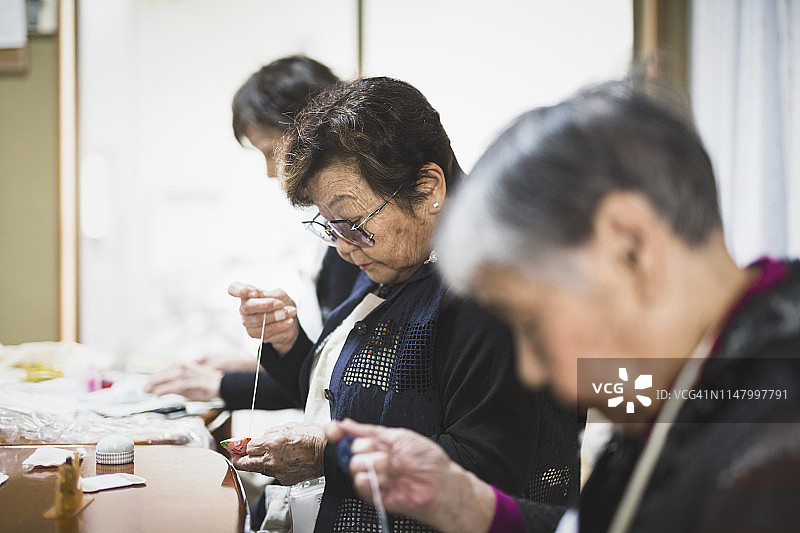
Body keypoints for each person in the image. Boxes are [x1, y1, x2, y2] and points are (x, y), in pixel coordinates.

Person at [326, 79, 800, 532]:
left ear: (631, 249)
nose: (532, 372)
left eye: (530, 323)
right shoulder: (686, 379)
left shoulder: (773, 450)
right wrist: (461, 501)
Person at [227, 76, 581, 532]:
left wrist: (328, 457)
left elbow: (486, 467)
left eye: (353, 223)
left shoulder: (485, 289)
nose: (343, 247)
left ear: (429, 188)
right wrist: (287, 341)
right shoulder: (392, 264)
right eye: (329, 227)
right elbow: (347, 399)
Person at [145, 56, 360, 409]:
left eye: (270, 152)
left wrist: (223, 385)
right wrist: (261, 364)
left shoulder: (358, 238)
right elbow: (333, 369)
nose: (271, 172)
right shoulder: (334, 232)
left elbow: (344, 387)